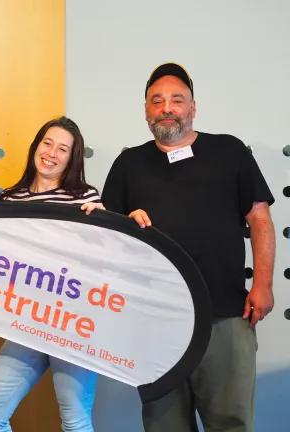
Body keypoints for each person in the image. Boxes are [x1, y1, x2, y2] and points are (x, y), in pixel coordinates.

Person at [101, 63, 276, 432]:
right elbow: (108, 240)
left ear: (193, 107)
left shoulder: (228, 151)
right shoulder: (129, 164)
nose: (167, 108)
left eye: (177, 100)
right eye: (157, 101)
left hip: (225, 316)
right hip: (155, 321)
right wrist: (125, 225)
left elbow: (259, 218)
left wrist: (263, 283)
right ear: (146, 111)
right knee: (164, 426)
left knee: (231, 424)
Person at [0, 116, 104, 432]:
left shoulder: (84, 198)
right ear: (36, 146)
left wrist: (103, 231)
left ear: (71, 159)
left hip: (73, 324)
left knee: (74, 419)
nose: (51, 153)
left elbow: (100, 263)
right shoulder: (10, 200)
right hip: (28, 322)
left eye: (62, 149)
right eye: (47, 143)